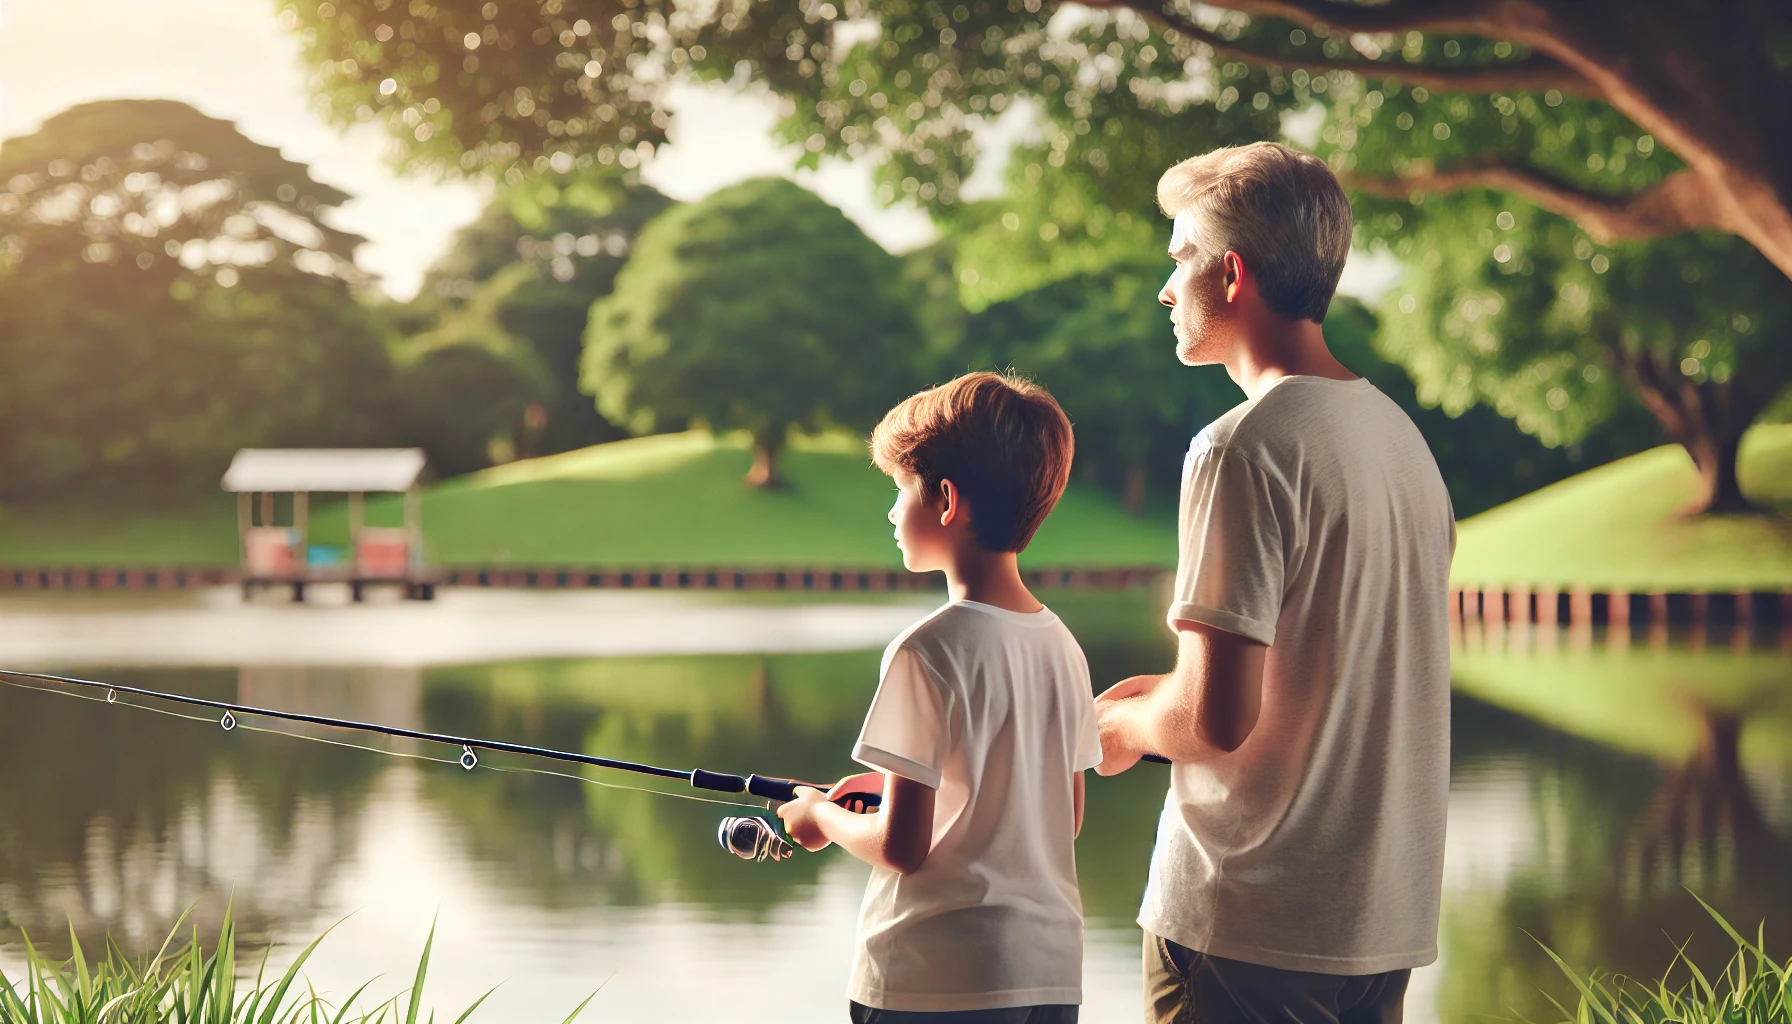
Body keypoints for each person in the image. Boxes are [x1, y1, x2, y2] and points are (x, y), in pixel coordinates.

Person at [1093, 142, 1456, 1024]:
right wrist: (1159, 694)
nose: (1166, 287)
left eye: (1181, 257)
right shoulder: (1402, 441)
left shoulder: (1239, 446)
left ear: (1235, 272)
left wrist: (1118, 725)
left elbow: (1213, 720)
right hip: (1377, 928)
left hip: (1243, 927)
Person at [777, 371, 1104, 1024]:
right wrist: (889, 788)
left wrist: (819, 818)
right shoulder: (1062, 644)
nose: (893, 512)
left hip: (930, 982)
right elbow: (1061, 818)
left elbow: (904, 849)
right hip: (1046, 976)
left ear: (947, 500)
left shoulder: (925, 649)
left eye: (901, 490)